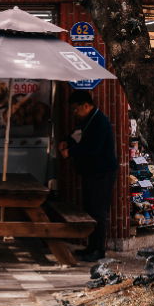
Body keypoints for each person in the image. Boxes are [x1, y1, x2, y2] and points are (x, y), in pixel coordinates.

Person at [59, 90, 117, 262]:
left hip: (101, 173)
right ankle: (91, 247)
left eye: (76, 109)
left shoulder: (100, 121)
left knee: (98, 211)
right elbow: (76, 136)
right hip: (91, 173)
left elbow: (92, 148)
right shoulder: (86, 120)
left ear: (86, 105)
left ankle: (98, 250)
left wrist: (70, 152)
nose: (74, 113)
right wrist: (66, 141)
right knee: (90, 210)